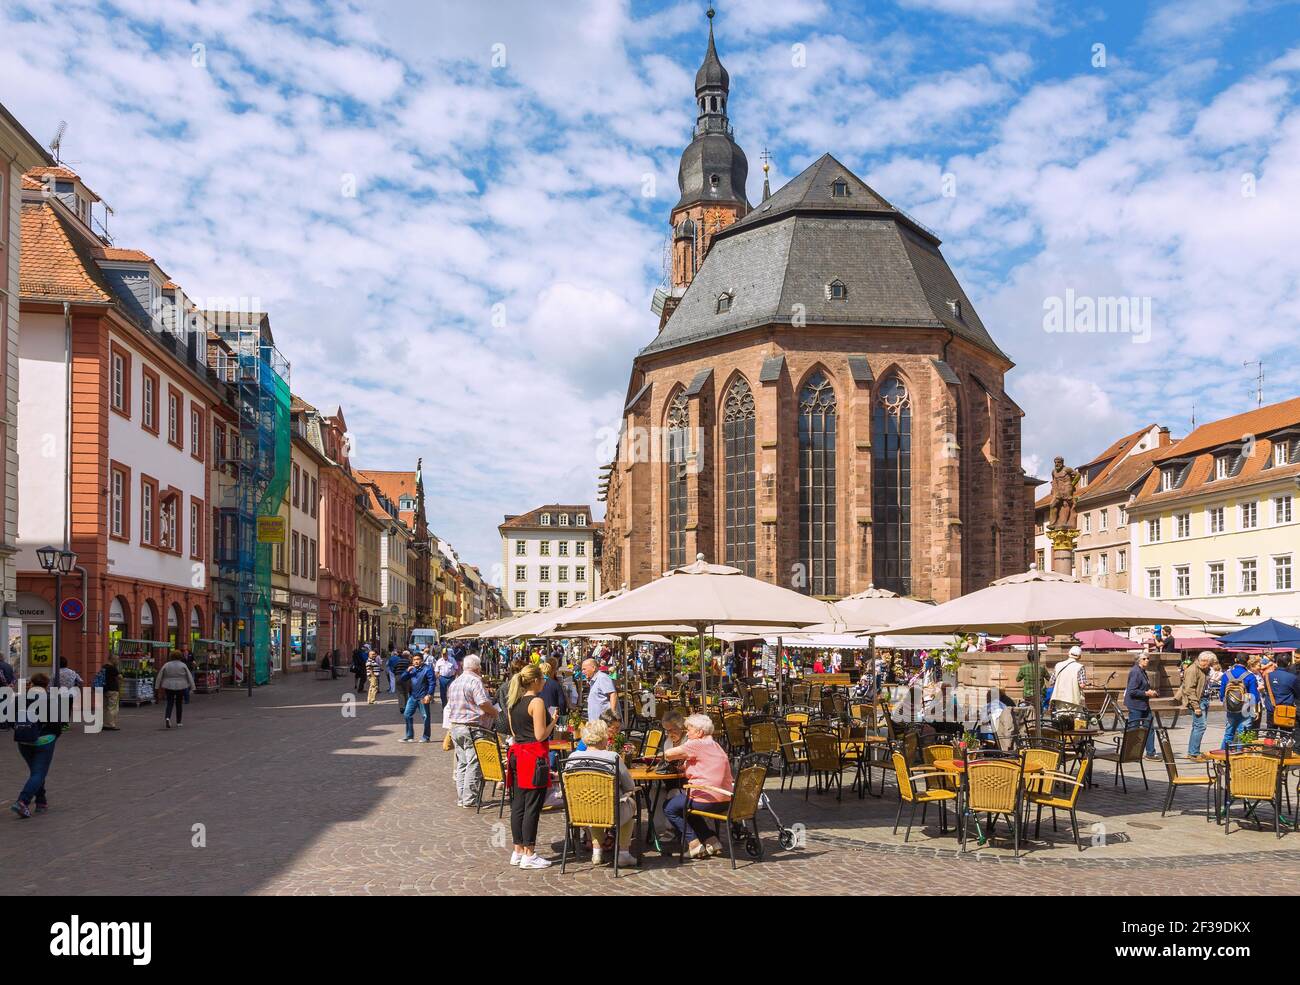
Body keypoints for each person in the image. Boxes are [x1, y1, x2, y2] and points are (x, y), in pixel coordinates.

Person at [564, 719, 637, 867]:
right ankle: (623, 853)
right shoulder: (612, 757)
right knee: (630, 804)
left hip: (581, 811)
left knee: (594, 803)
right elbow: (630, 786)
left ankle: (597, 852)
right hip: (609, 811)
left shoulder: (572, 757)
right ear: (604, 736)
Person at [505, 663, 557, 869]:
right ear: (535, 681)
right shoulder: (536, 702)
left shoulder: (513, 702)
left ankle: (517, 850)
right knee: (532, 806)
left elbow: (514, 732)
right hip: (533, 757)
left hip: (517, 755)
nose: (544, 681)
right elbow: (539, 735)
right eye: (542, 679)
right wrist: (552, 722)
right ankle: (529, 853)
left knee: (517, 805)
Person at [662, 713, 734, 859]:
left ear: (700, 732)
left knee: (669, 807)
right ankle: (712, 841)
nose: (687, 733)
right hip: (725, 799)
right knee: (686, 809)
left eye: (689, 730)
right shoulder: (716, 745)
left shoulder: (696, 744)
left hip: (707, 798)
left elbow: (668, 754)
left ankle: (694, 844)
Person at [445, 654, 496, 808]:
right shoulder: (475, 681)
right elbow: (482, 703)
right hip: (472, 727)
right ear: (477, 667)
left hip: (455, 727)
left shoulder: (455, 682)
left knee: (462, 763)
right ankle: (470, 799)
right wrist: (494, 712)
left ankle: (462, 797)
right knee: (474, 763)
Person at [10, 673, 61, 818]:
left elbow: (11, 719)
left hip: (24, 741)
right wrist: (54, 736)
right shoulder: (50, 699)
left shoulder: (20, 699)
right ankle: (23, 801)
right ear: (46, 685)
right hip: (45, 741)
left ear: (31, 684)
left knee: (36, 772)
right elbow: (57, 724)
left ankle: (41, 801)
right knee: (39, 773)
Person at [1177, 651, 1215, 760]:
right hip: (1198, 701)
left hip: (1203, 700)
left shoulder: (1203, 669)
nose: (1210, 666)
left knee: (1197, 726)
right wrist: (1196, 706)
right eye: (1210, 663)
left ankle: (1193, 751)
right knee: (1200, 726)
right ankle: (1193, 752)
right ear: (1204, 661)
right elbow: (1189, 689)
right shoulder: (1193, 670)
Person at [1220, 653, 1260, 748]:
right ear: (1247, 662)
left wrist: (1231, 702)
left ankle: (1223, 757)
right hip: (1246, 709)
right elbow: (1254, 696)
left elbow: (1222, 695)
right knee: (1243, 735)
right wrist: (1255, 709)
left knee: (1228, 734)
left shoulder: (1226, 675)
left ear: (1235, 660)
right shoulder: (1250, 676)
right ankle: (1240, 757)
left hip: (1231, 708)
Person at [1123, 652, 1159, 758]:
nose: (1147, 660)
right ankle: (1128, 752)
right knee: (1134, 729)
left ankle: (1150, 753)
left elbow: (1142, 687)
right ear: (1139, 660)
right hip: (1135, 705)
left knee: (1149, 727)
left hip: (1143, 704)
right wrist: (1146, 693)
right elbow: (1132, 691)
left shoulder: (1142, 671)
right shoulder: (1135, 672)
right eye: (1144, 659)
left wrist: (1150, 691)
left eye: (1148, 658)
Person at [399, 652, 436, 743]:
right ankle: (409, 735)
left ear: (422, 660)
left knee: (425, 717)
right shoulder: (412, 669)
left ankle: (426, 737)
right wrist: (407, 671)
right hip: (413, 696)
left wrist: (429, 694)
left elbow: (432, 683)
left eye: (418, 659)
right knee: (407, 714)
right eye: (414, 660)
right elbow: (402, 679)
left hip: (423, 697)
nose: (416, 661)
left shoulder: (427, 669)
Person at [155, 651, 196, 729]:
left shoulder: (166, 665)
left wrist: (157, 686)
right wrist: (193, 687)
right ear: (180, 656)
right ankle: (179, 722)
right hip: (181, 686)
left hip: (168, 685)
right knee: (179, 703)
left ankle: (167, 718)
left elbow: (160, 675)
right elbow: (189, 676)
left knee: (169, 702)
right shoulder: (183, 665)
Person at [1263, 652, 1298, 733]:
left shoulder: (1267, 676)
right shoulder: (1293, 678)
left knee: (1270, 734)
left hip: (1271, 708)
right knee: (1285, 735)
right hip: (1286, 710)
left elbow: (1266, 689)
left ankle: (1268, 745)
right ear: (1289, 663)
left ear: (1276, 663)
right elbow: (1297, 694)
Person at [1049, 646, 1087, 713]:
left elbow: (1051, 682)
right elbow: (1082, 685)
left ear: (1068, 654)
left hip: (1059, 698)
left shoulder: (1058, 665)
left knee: (1060, 719)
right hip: (1073, 699)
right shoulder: (1079, 667)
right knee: (1077, 719)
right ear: (1079, 656)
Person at [582, 657, 618, 723]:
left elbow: (613, 694)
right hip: (596, 722)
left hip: (604, 722)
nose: (583, 672)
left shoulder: (602, 677)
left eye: (584, 669)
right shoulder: (594, 680)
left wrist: (612, 716)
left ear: (593, 668)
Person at [101, 658, 121, 731]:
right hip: (113, 690)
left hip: (105, 689)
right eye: (117, 659)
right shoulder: (113, 668)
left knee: (105, 707)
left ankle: (105, 724)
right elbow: (120, 677)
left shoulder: (103, 667)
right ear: (113, 660)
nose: (118, 661)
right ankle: (110, 725)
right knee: (112, 708)